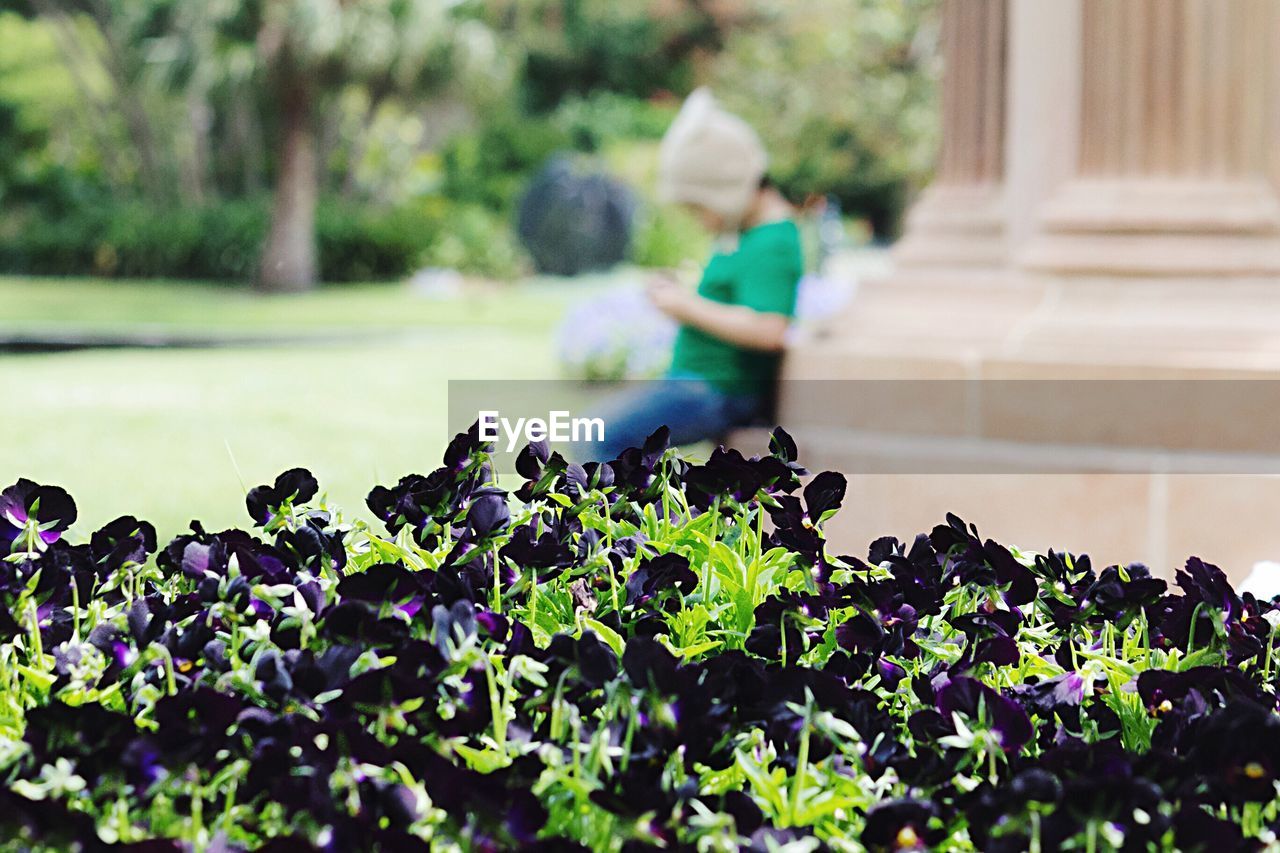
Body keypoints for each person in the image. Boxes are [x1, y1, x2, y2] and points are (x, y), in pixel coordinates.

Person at [582, 88, 803, 462]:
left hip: (716, 390)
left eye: (697, 208)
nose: (699, 221)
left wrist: (685, 306)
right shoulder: (749, 237)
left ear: (725, 190)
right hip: (699, 383)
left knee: (604, 439)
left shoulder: (774, 241)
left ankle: (619, 521)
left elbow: (769, 328)